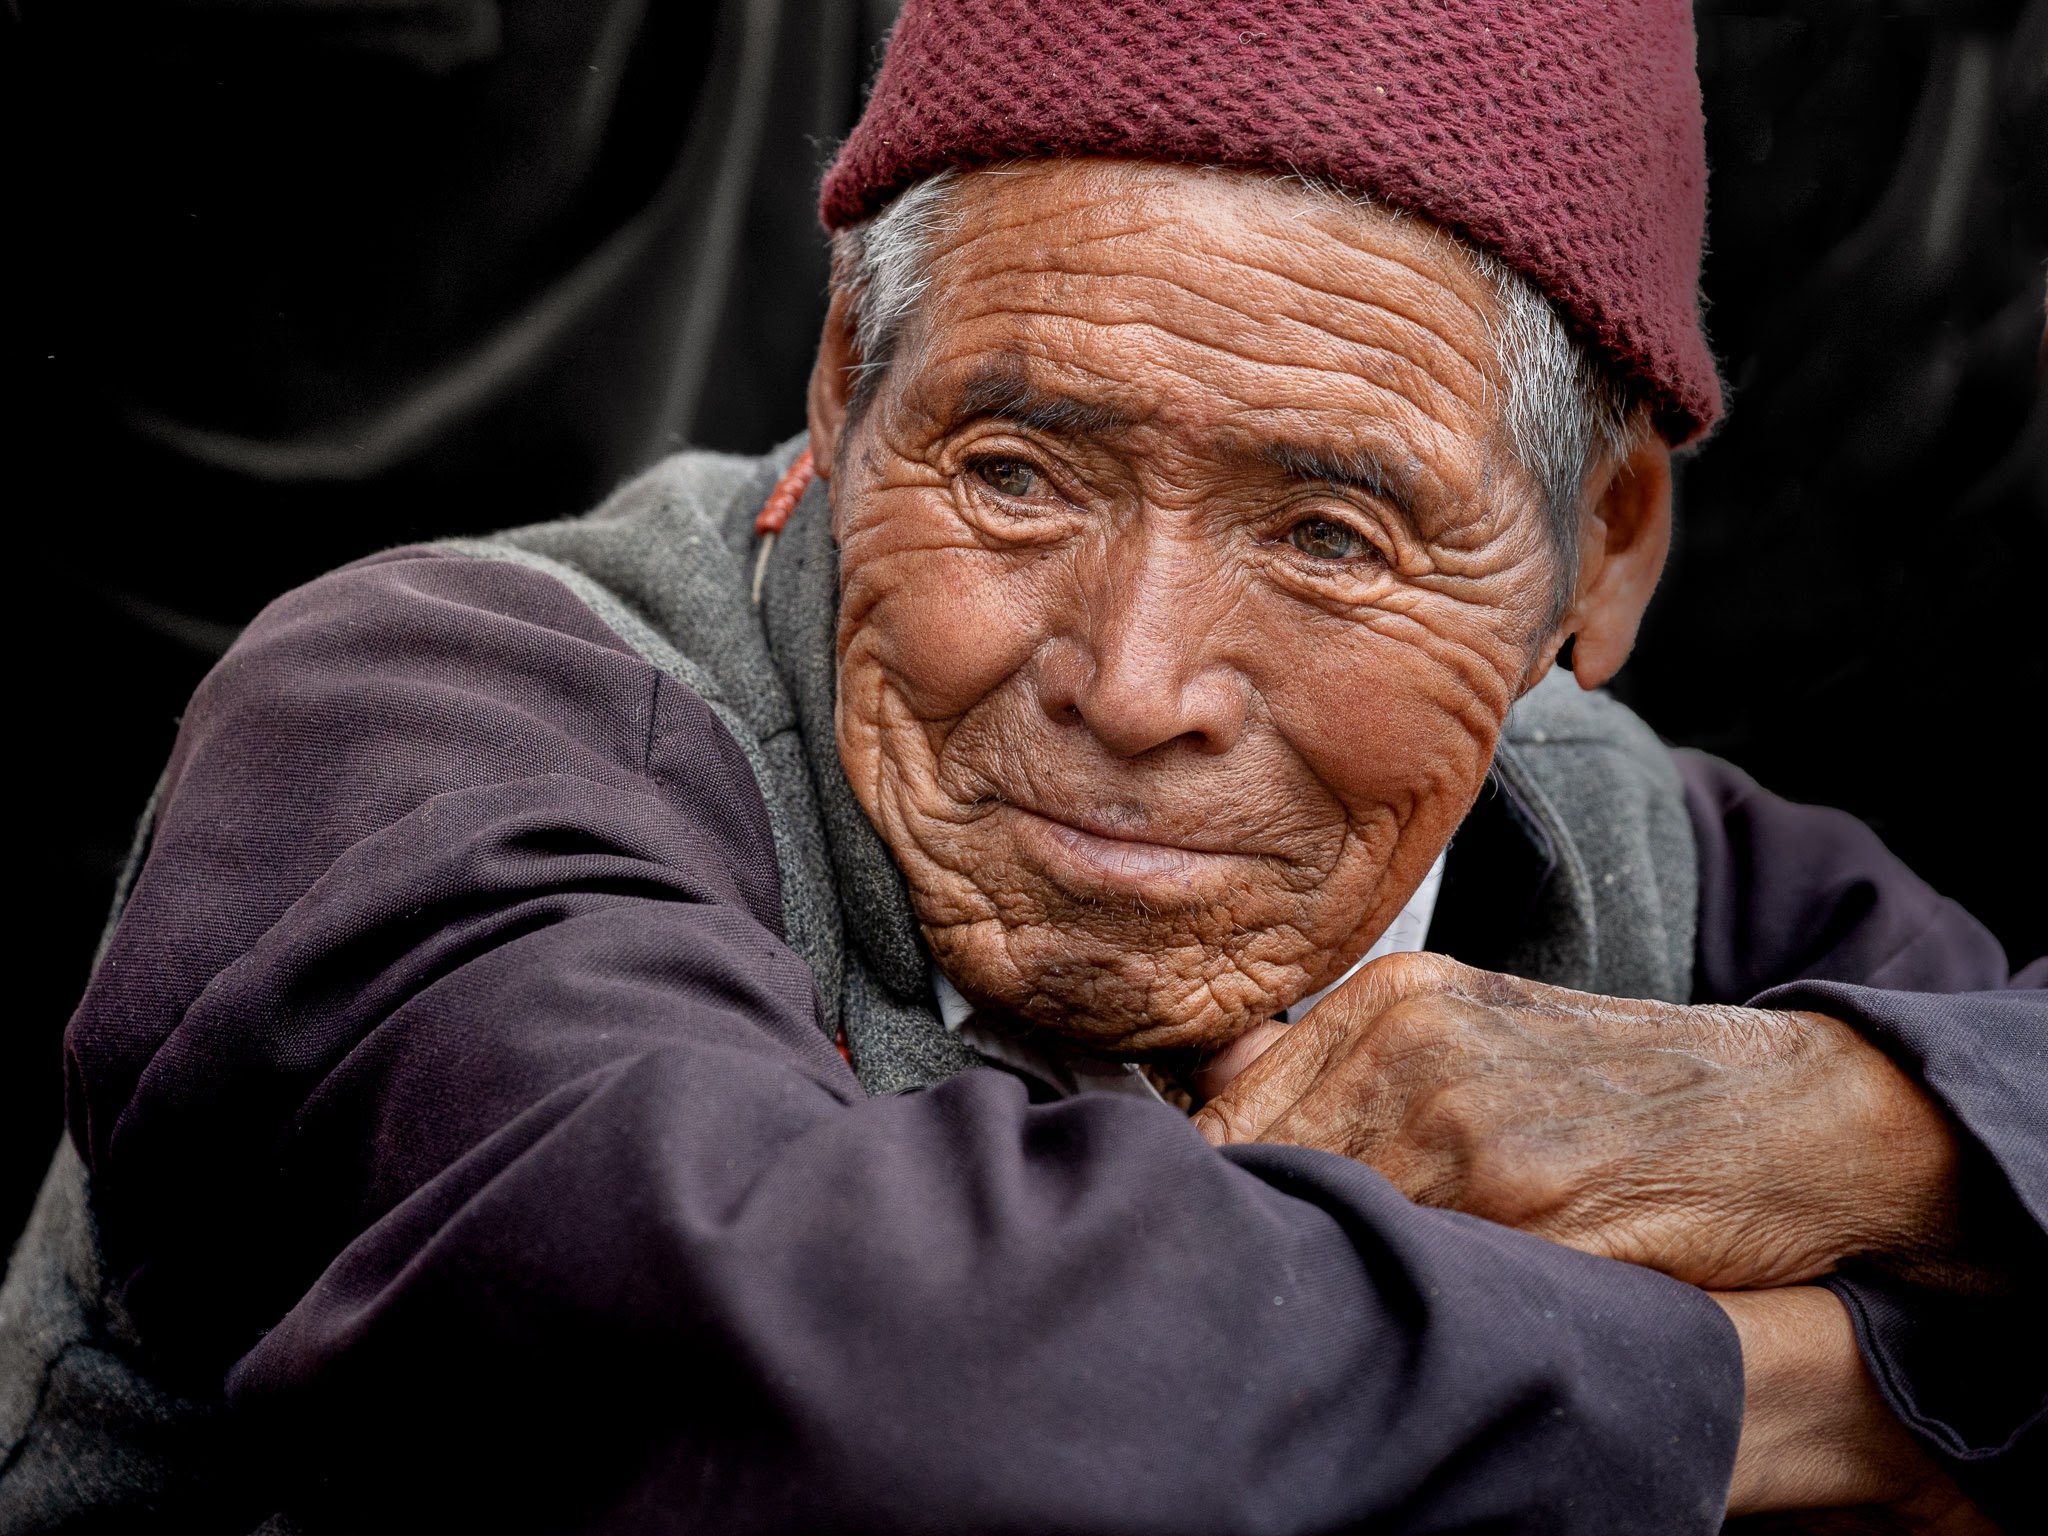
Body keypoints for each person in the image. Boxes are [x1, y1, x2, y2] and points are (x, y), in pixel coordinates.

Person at [3, 2, 2040, 1532]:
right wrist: (1833, 1402)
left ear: (1592, 561)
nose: (1137, 680)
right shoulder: (408, 736)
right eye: (1016, 472)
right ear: (837, 392)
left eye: (1327, 540)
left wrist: (1862, 1126)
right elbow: (884, 1398)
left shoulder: (1608, 841)